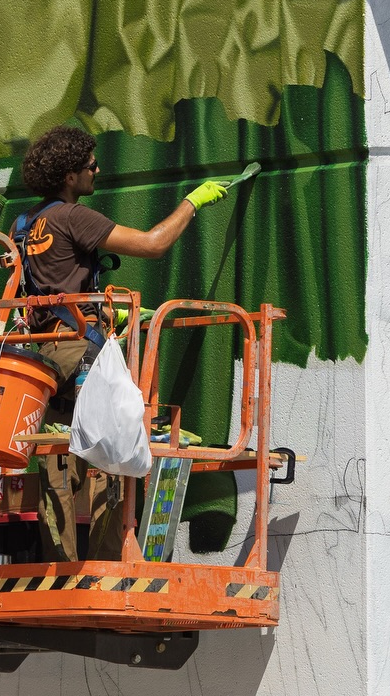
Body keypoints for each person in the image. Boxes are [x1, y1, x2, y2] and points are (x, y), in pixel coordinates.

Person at [15, 124, 234, 563]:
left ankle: (58, 567)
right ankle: (105, 564)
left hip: (44, 354)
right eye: (88, 164)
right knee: (109, 453)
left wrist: (106, 311)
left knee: (59, 456)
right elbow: (153, 245)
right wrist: (193, 202)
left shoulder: (28, 224)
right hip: (82, 353)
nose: (97, 168)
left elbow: (50, 288)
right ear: (69, 176)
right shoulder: (74, 216)